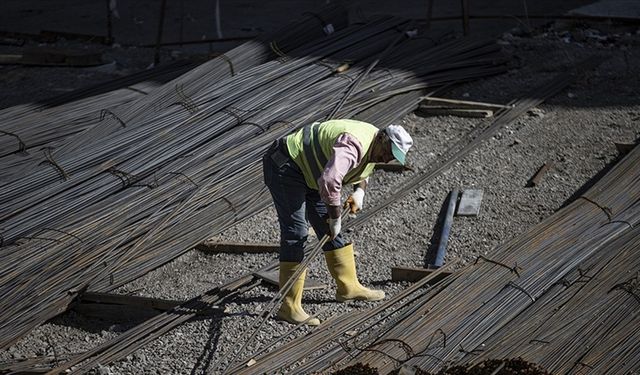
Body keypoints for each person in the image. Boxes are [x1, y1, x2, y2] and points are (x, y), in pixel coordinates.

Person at [262, 119, 413, 326]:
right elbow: (330, 181)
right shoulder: (354, 143)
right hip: (286, 165)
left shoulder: (374, 144)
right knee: (296, 232)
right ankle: (289, 307)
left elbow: (363, 168)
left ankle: (348, 288)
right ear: (381, 138)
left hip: (311, 172)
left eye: (392, 158)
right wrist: (335, 217)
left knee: (329, 229)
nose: (387, 160)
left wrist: (359, 192)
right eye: (388, 153)